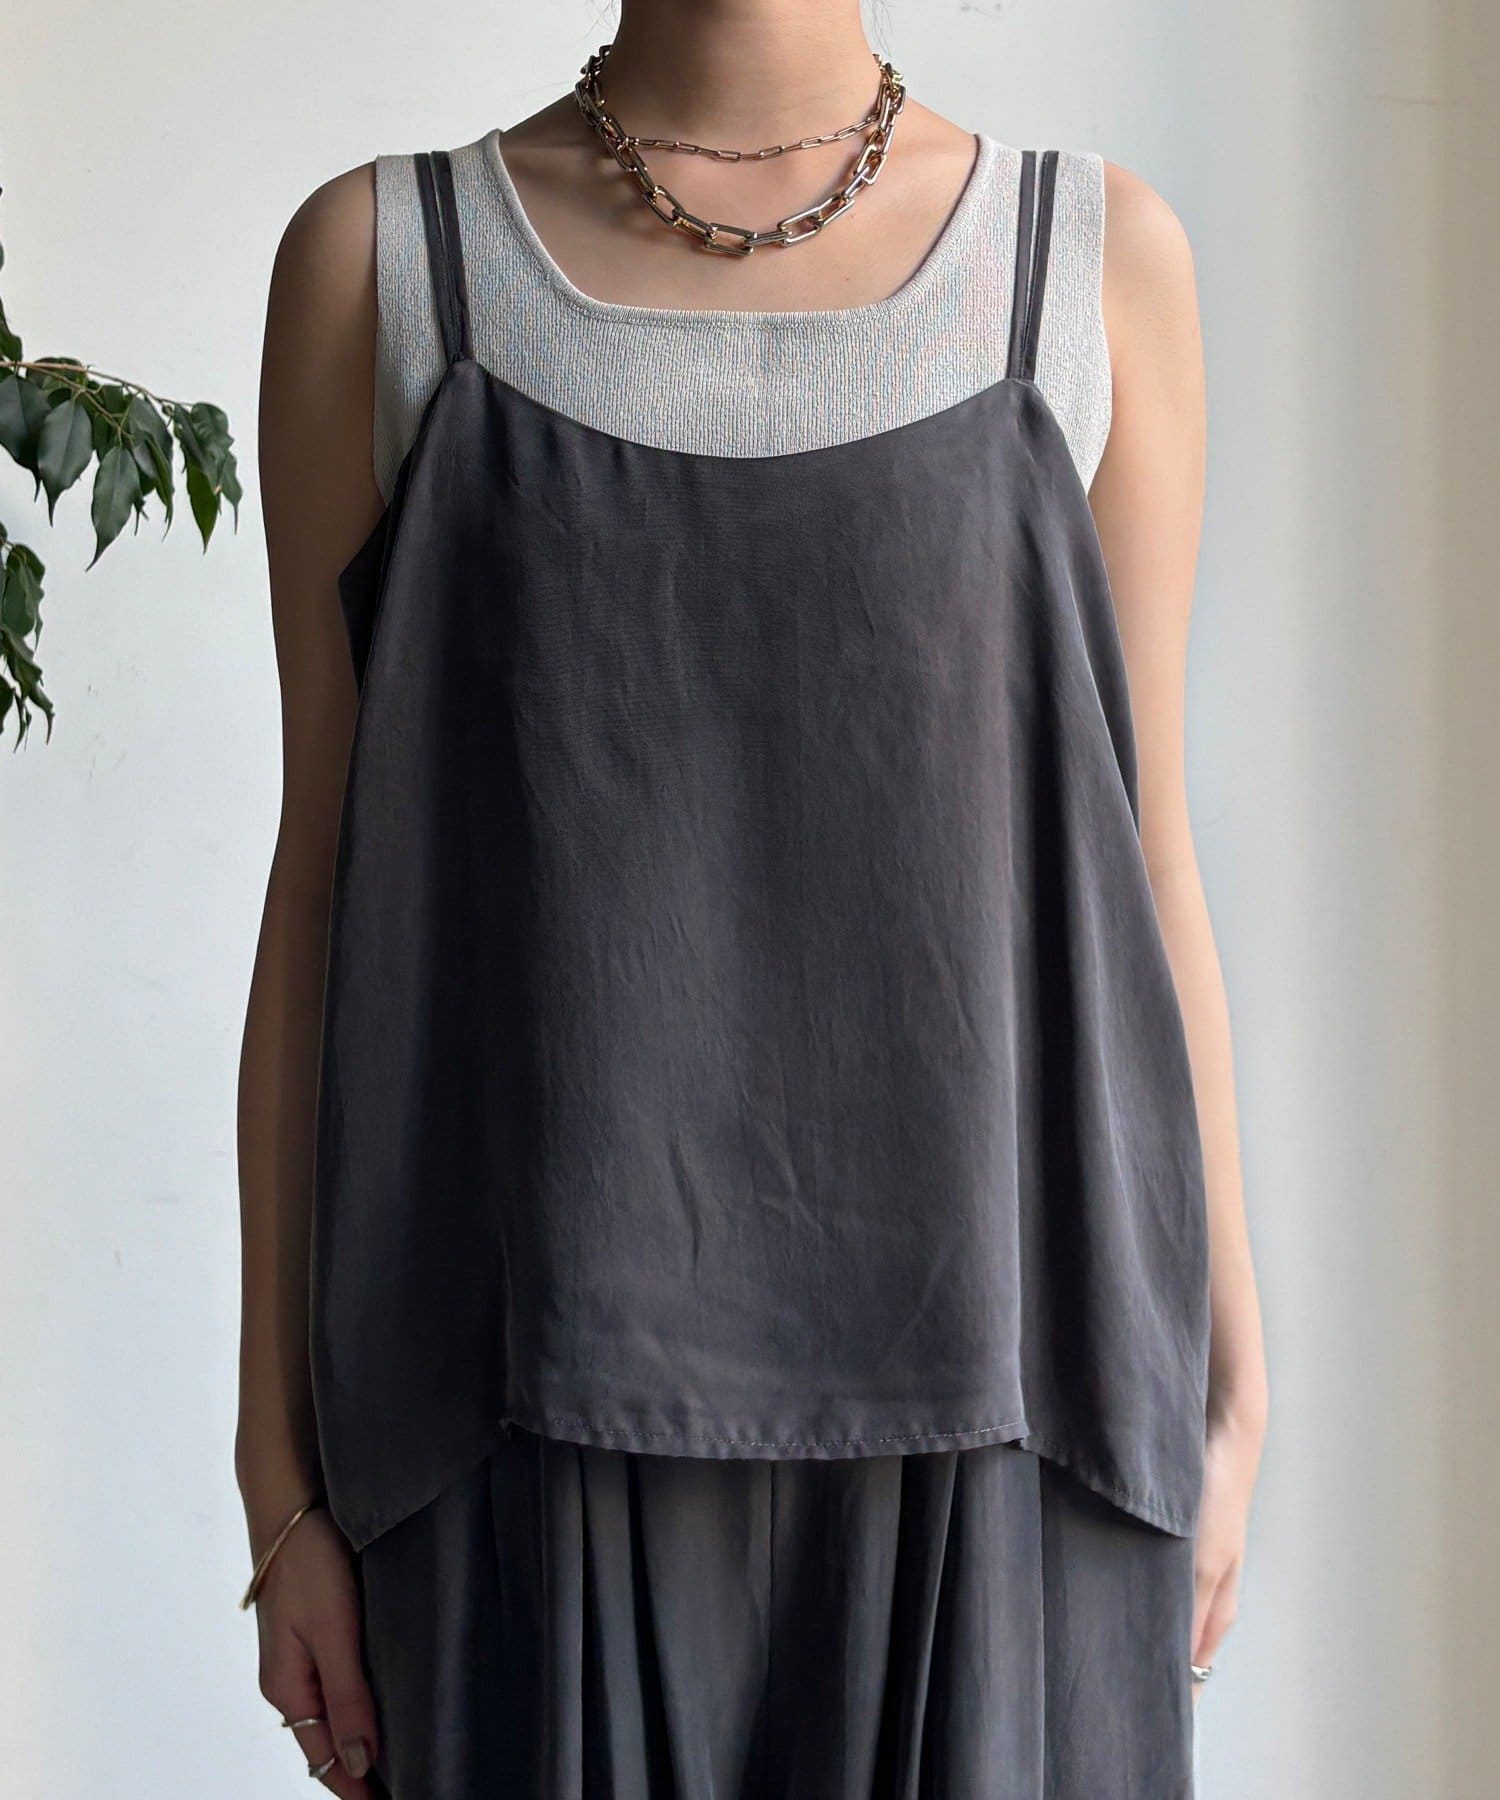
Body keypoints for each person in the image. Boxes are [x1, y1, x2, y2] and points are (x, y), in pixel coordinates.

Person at [237, 3, 1268, 1794]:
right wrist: (279, 1477)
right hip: (518, 1419)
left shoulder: (1083, 263)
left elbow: (1147, 851)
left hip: (1012, 1412)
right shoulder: (392, 270)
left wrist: (1236, 1380)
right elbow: (322, 886)